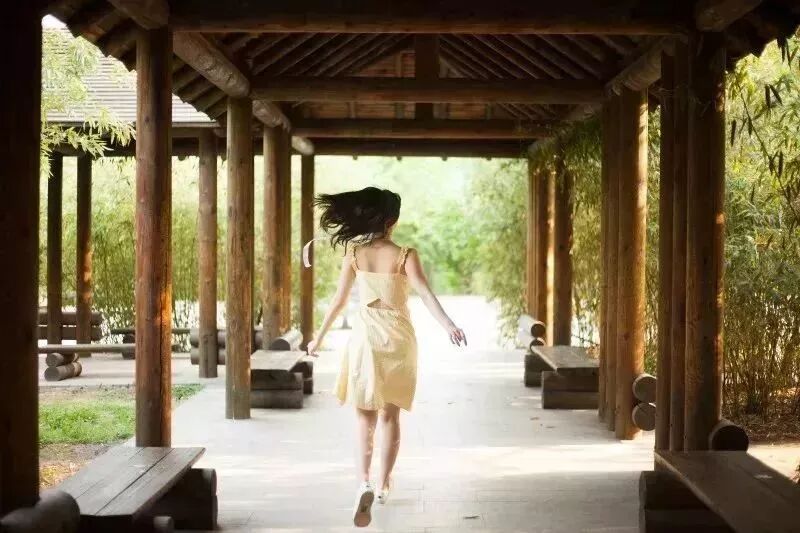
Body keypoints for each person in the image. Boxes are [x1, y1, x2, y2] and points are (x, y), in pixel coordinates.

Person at [305, 187, 466, 527]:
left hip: (366, 339)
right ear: (392, 221)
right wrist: (450, 325)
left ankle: (363, 481)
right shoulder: (406, 255)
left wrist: (317, 338)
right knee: (390, 416)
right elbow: (426, 294)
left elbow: (338, 301)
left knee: (364, 417)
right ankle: (382, 486)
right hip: (398, 340)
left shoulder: (354, 253)